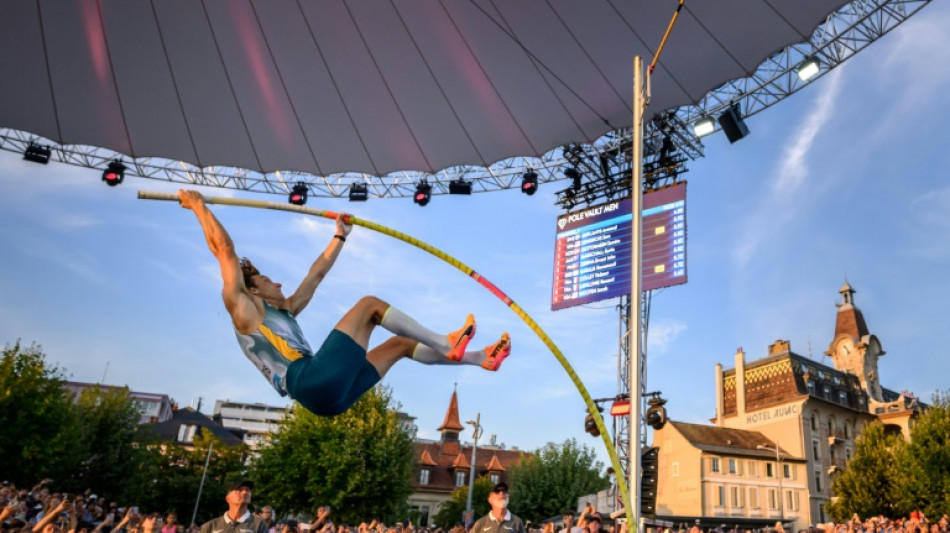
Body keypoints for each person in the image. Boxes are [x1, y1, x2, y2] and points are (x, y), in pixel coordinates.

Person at [178, 190, 512, 417]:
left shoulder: (287, 310)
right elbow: (224, 251)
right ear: (253, 291)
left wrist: (339, 236)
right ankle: (444, 341)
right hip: (311, 380)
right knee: (369, 305)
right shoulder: (246, 313)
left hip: (329, 400)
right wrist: (198, 207)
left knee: (401, 344)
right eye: (267, 279)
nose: (277, 281)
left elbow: (317, 274)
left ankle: (480, 358)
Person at [197, 481, 267, 533]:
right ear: (228, 498)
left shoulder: (259, 524)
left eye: (248, 490)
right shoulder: (211, 526)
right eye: (239, 490)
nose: (245, 492)